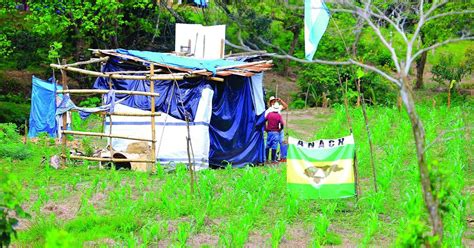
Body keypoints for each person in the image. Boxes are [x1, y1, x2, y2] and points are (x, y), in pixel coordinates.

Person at [265, 96, 288, 161]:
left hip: (279, 129)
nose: (274, 102)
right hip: (273, 130)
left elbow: (286, 106)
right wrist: (266, 129)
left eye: (274, 101)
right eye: (272, 101)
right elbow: (265, 120)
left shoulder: (278, 107)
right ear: (270, 102)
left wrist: (280, 100)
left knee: (282, 142)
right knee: (272, 144)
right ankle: (272, 159)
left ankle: (283, 157)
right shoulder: (268, 111)